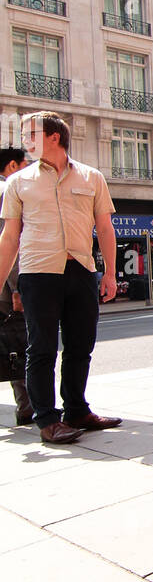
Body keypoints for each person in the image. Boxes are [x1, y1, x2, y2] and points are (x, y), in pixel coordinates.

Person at [0, 112, 120, 444]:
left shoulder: (91, 177)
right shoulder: (18, 182)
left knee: (81, 346)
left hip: (81, 271)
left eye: (30, 134)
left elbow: (105, 228)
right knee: (41, 348)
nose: (25, 141)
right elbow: (9, 237)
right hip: (38, 274)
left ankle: (77, 410)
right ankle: (47, 420)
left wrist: (109, 273)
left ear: (54, 137)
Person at [0, 145, 32, 424]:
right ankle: (26, 407)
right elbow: (10, 245)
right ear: (12, 167)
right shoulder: (7, 192)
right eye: (25, 165)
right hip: (6, 291)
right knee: (17, 346)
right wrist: (17, 289)